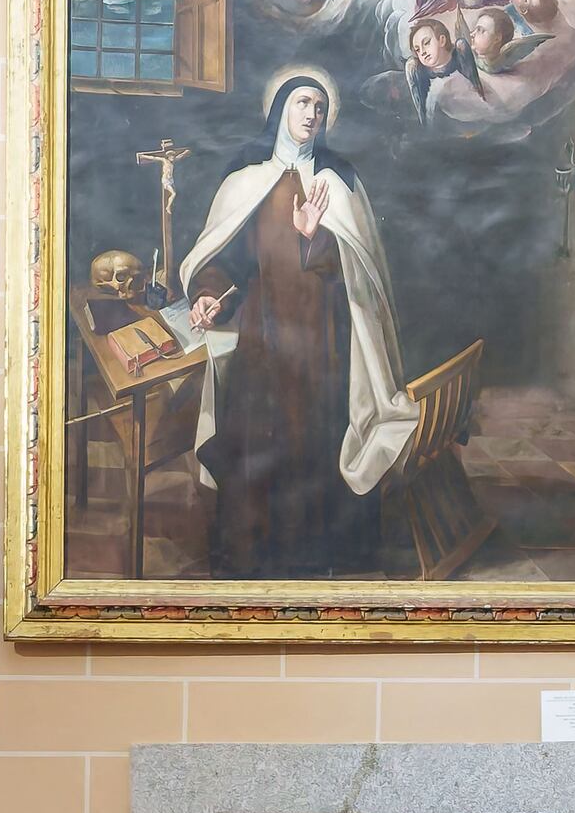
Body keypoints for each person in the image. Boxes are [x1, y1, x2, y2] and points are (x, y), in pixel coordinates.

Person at [175, 72, 419, 575]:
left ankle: (322, 556)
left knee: (319, 444)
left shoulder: (339, 182)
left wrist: (315, 239)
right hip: (261, 343)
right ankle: (255, 556)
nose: (311, 114)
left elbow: (359, 277)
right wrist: (206, 296)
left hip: (326, 346)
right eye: (303, 102)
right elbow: (227, 262)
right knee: (258, 445)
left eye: (320, 107)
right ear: (280, 108)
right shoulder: (247, 180)